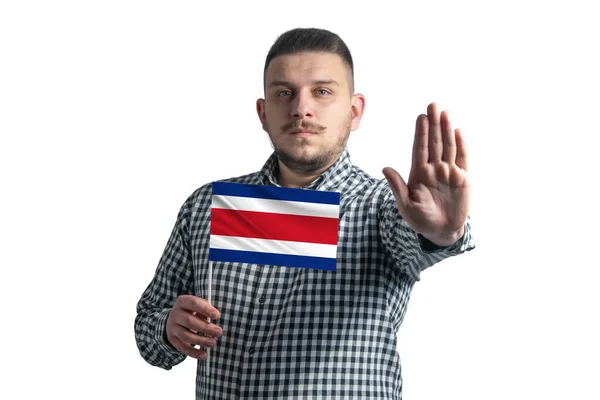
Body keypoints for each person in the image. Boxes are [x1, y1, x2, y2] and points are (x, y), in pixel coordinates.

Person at [135, 27, 475, 399]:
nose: (301, 108)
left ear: (355, 110)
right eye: (284, 93)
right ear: (263, 112)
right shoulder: (208, 206)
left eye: (322, 92)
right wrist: (168, 326)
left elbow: (418, 243)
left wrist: (441, 232)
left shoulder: (382, 209)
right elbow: (149, 328)